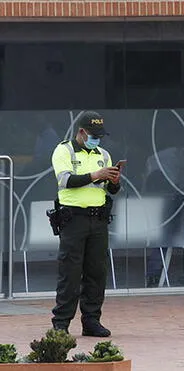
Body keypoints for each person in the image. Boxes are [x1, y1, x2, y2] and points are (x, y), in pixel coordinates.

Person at [50, 111, 121, 337]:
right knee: (70, 272)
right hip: (73, 219)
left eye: (100, 136)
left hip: (98, 219)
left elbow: (111, 190)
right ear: (82, 132)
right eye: (93, 135)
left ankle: (91, 321)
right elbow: (66, 180)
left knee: (96, 272)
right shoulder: (64, 150)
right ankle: (61, 323)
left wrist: (114, 181)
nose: (97, 139)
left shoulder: (104, 154)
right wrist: (95, 174)